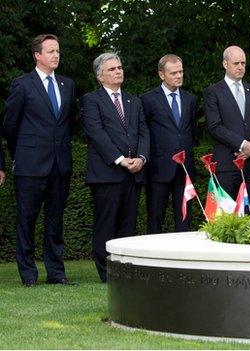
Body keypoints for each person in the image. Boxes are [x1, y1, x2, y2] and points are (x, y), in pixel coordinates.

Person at [2, 34, 76, 286]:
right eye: (51, 51)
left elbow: (68, 124)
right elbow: (10, 125)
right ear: (38, 55)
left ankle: (56, 273)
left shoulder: (67, 84)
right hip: (30, 165)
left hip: (60, 164)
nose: (56, 55)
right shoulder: (22, 84)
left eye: (58, 50)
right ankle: (28, 275)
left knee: (55, 222)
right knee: (27, 220)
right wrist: (22, 152)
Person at [80, 52, 149, 282]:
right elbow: (96, 134)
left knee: (127, 226)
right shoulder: (91, 100)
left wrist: (141, 158)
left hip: (134, 173)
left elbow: (143, 132)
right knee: (105, 225)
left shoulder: (134, 100)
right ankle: (106, 273)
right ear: (100, 76)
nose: (118, 71)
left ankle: (125, 272)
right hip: (107, 174)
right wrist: (120, 159)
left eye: (119, 67)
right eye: (112, 69)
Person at [204, 46, 250, 212]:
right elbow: (215, 127)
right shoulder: (213, 92)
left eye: (243, 63)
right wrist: (242, 145)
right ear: (225, 64)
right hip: (227, 163)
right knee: (227, 215)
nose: (241, 67)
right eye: (236, 63)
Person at [141, 54, 197, 233]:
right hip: (158, 169)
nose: (179, 76)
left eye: (181, 71)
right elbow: (144, 132)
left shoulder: (190, 99)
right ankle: (152, 259)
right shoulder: (148, 99)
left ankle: (183, 258)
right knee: (155, 218)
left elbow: (191, 130)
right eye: (173, 73)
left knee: (184, 219)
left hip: (185, 168)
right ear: (161, 75)